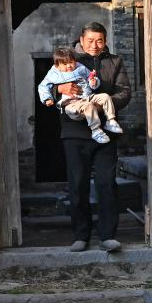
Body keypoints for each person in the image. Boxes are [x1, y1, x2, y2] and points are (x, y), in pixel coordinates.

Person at [55, 22, 131, 253]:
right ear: (81, 39)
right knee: (77, 185)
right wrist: (60, 90)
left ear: (105, 41)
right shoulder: (68, 59)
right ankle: (81, 236)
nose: (95, 46)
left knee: (106, 184)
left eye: (99, 41)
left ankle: (108, 235)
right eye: (90, 41)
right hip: (75, 133)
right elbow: (46, 87)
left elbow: (125, 92)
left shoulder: (114, 61)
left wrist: (102, 101)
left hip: (106, 132)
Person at [37, 46, 123, 144]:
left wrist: (93, 82)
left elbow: (90, 78)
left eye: (71, 62)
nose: (69, 66)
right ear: (57, 65)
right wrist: (47, 98)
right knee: (89, 106)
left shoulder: (80, 67)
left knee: (105, 97)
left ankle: (110, 121)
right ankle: (96, 131)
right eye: (64, 64)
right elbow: (43, 86)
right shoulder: (54, 73)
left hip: (87, 97)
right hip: (72, 103)